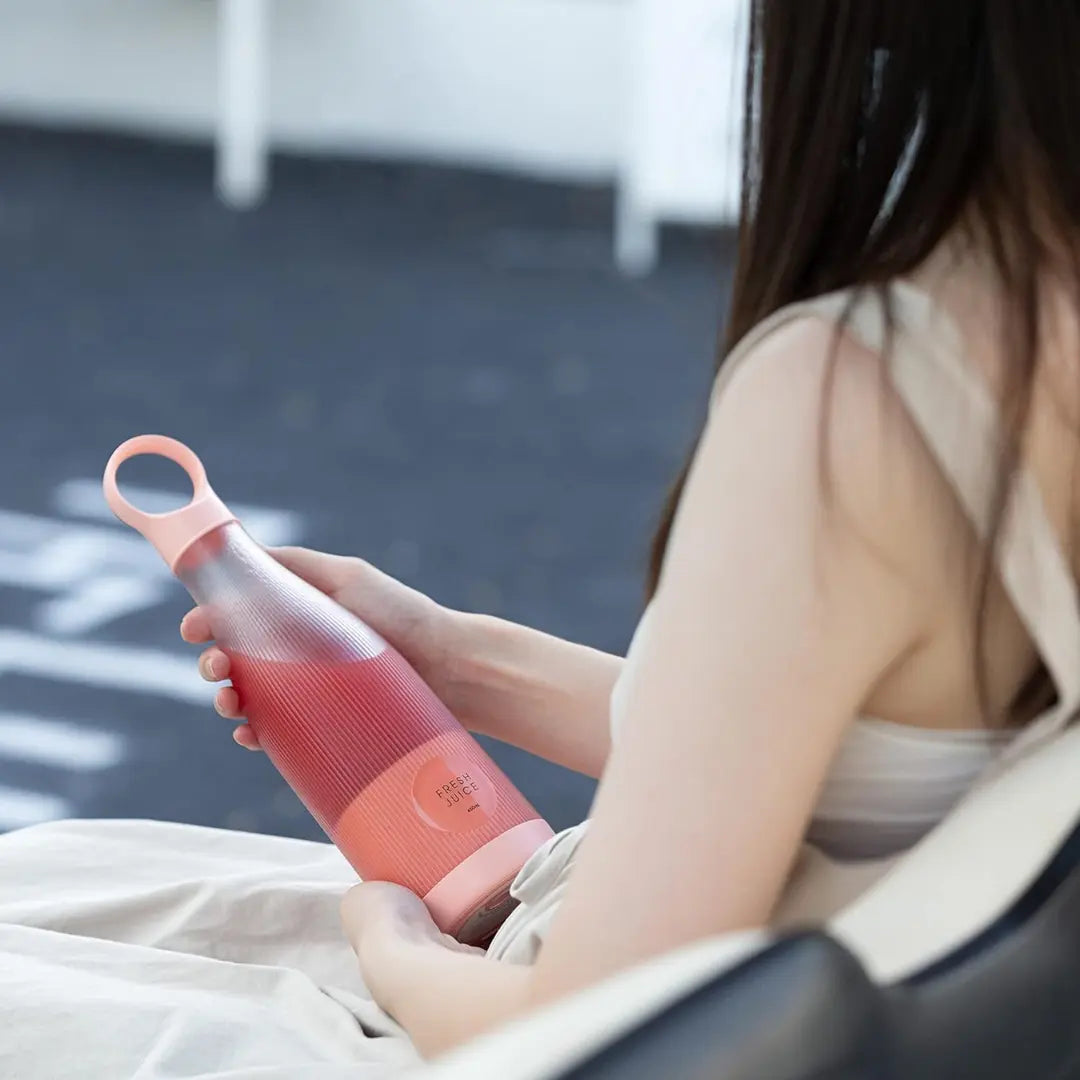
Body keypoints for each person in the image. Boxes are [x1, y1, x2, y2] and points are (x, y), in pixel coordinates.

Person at [3, 3, 1079, 1075]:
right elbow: (835, 752)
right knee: (46, 872)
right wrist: (448, 660)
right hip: (835, 977)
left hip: (605, 1028)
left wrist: (388, 941)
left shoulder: (856, 396)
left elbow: (590, 1032)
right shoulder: (1021, 347)